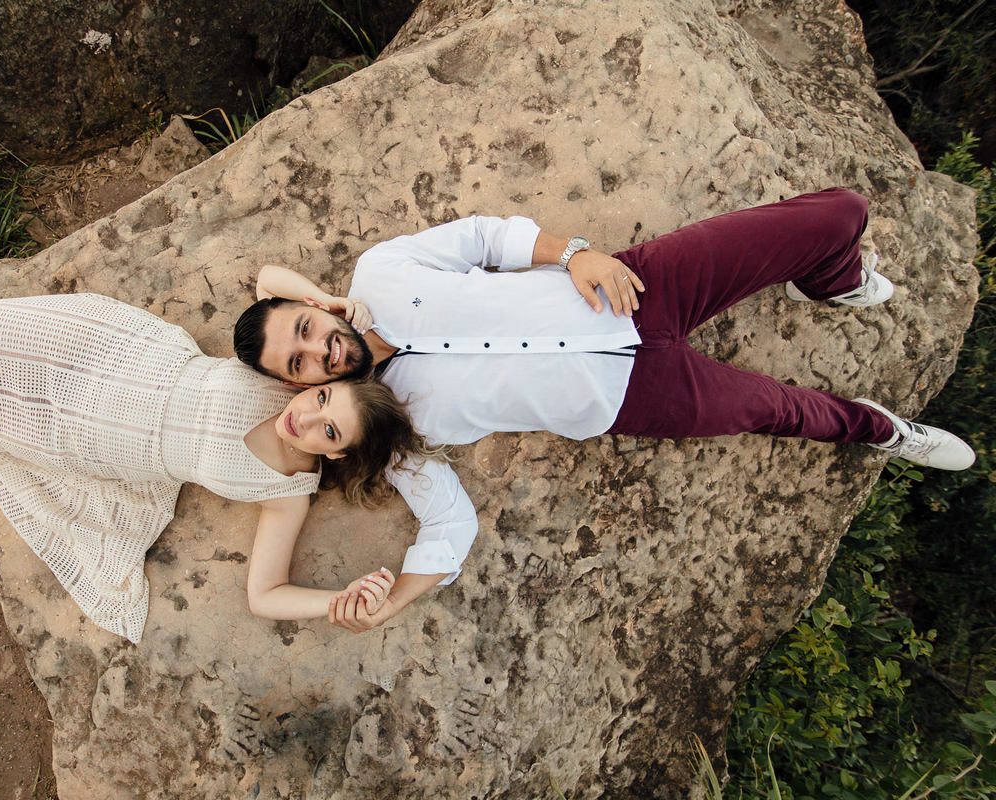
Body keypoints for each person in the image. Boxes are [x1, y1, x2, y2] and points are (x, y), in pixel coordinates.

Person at [232, 188, 976, 633]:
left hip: (627, 287)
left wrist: (575, 253)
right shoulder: (388, 427)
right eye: (298, 367)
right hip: (631, 397)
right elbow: (448, 524)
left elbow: (488, 236)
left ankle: (831, 278)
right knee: (773, 409)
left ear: (309, 305)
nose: (319, 354)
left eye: (307, 331)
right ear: (298, 388)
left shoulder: (379, 273)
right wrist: (395, 599)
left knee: (840, 212)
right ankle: (882, 429)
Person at [0, 292, 444, 643]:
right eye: (320, 398)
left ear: (336, 452)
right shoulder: (285, 379)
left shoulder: (288, 492)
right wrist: (328, 304)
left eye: (328, 430)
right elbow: (271, 290)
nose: (306, 418)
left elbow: (265, 595)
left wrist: (337, 601)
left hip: (92, 445)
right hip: (118, 360)